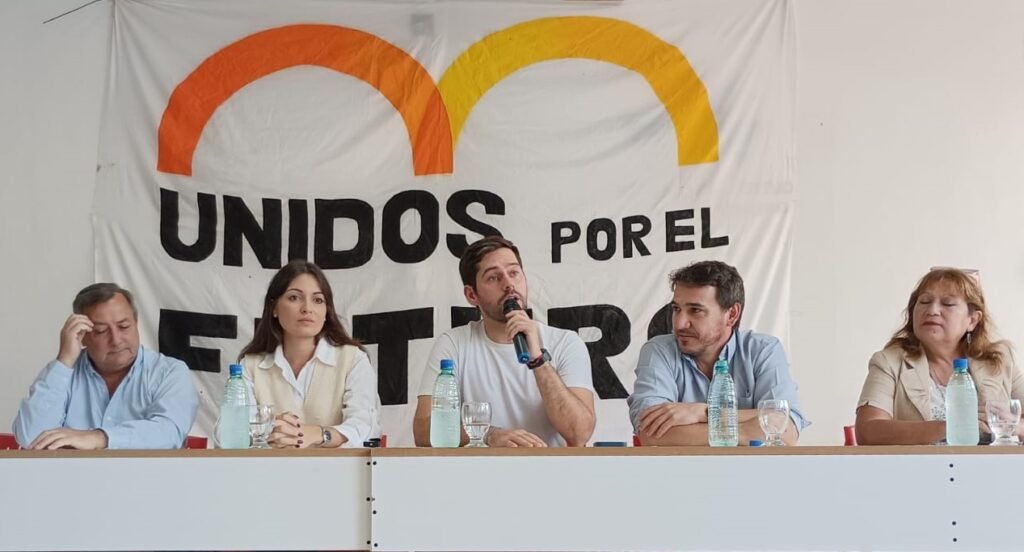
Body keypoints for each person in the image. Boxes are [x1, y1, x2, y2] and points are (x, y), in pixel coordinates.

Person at [413, 236, 595, 447]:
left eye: (514, 273)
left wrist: (538, 360)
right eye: (493, 277)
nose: (509, 284)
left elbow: (579, 433)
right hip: (482, 468)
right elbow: (423, 430)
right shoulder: (453, 344)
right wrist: (487, 435)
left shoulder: (566, 342)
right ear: (472, 295)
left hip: (549, 466)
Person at [628, 261, 808, 446]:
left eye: (695, 310)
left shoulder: (763, 350)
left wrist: (701, 412)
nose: (680, 323)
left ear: (732, 314)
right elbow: (651, 433)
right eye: (676, 309)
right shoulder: (658, 350)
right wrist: (747, 430)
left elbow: (786, 430)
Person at [12, 283, 198, 449]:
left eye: (124, 327)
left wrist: (99, 438)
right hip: (74, 476)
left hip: (146, 477)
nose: (116, 340)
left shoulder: (168, 372)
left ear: (136, 323)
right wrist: (65, 360)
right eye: (101, 331)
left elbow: (169, 433)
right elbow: (30, 438)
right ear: (82, 335)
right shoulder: (63, 373)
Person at [856, 268, 1023, 445]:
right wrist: (950, 427)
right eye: (924, 301)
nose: (932, 310)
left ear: (972, 320)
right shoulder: (889, 361)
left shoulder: (999, 360)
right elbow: (867, 431)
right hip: (920, 463)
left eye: (948, 304)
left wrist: (1013, 425)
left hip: (992, 463)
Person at [239, 260, 380, 448]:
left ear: (326, 312)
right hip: (270, 466)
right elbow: (227, 433)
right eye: (294, 298)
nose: (307, 308)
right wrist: (270, 429)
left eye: (318, 300)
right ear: (274, 308)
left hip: (337, 467)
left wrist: (320, 434)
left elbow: (366, 428)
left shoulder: (353, 360)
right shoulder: (249, 366)